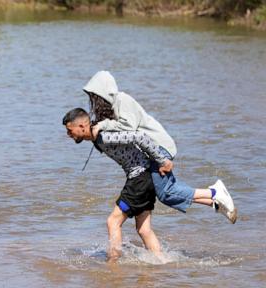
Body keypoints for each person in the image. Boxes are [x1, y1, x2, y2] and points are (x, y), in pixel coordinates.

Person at [83, 71, 237, 223]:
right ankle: (215, 202)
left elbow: (128, 127)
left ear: (103, 93)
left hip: (158, 146)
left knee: (166, 193)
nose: (93, 102)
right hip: (154, 147)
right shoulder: (114, 106)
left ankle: (215, 192)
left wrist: (103, 124)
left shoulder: (122, 100)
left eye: (94, 97)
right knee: (170, 189)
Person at [63, 107, 169, 261]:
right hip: (144, 178)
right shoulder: (97, 136)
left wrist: (162, 160)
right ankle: (162, 263)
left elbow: (139, 137)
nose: (68, 135)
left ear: (81, 126)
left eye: (69, 130)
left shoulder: (103, 136)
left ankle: (113, 265)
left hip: (139, 178)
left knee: (113, 221)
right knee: (143, 229)